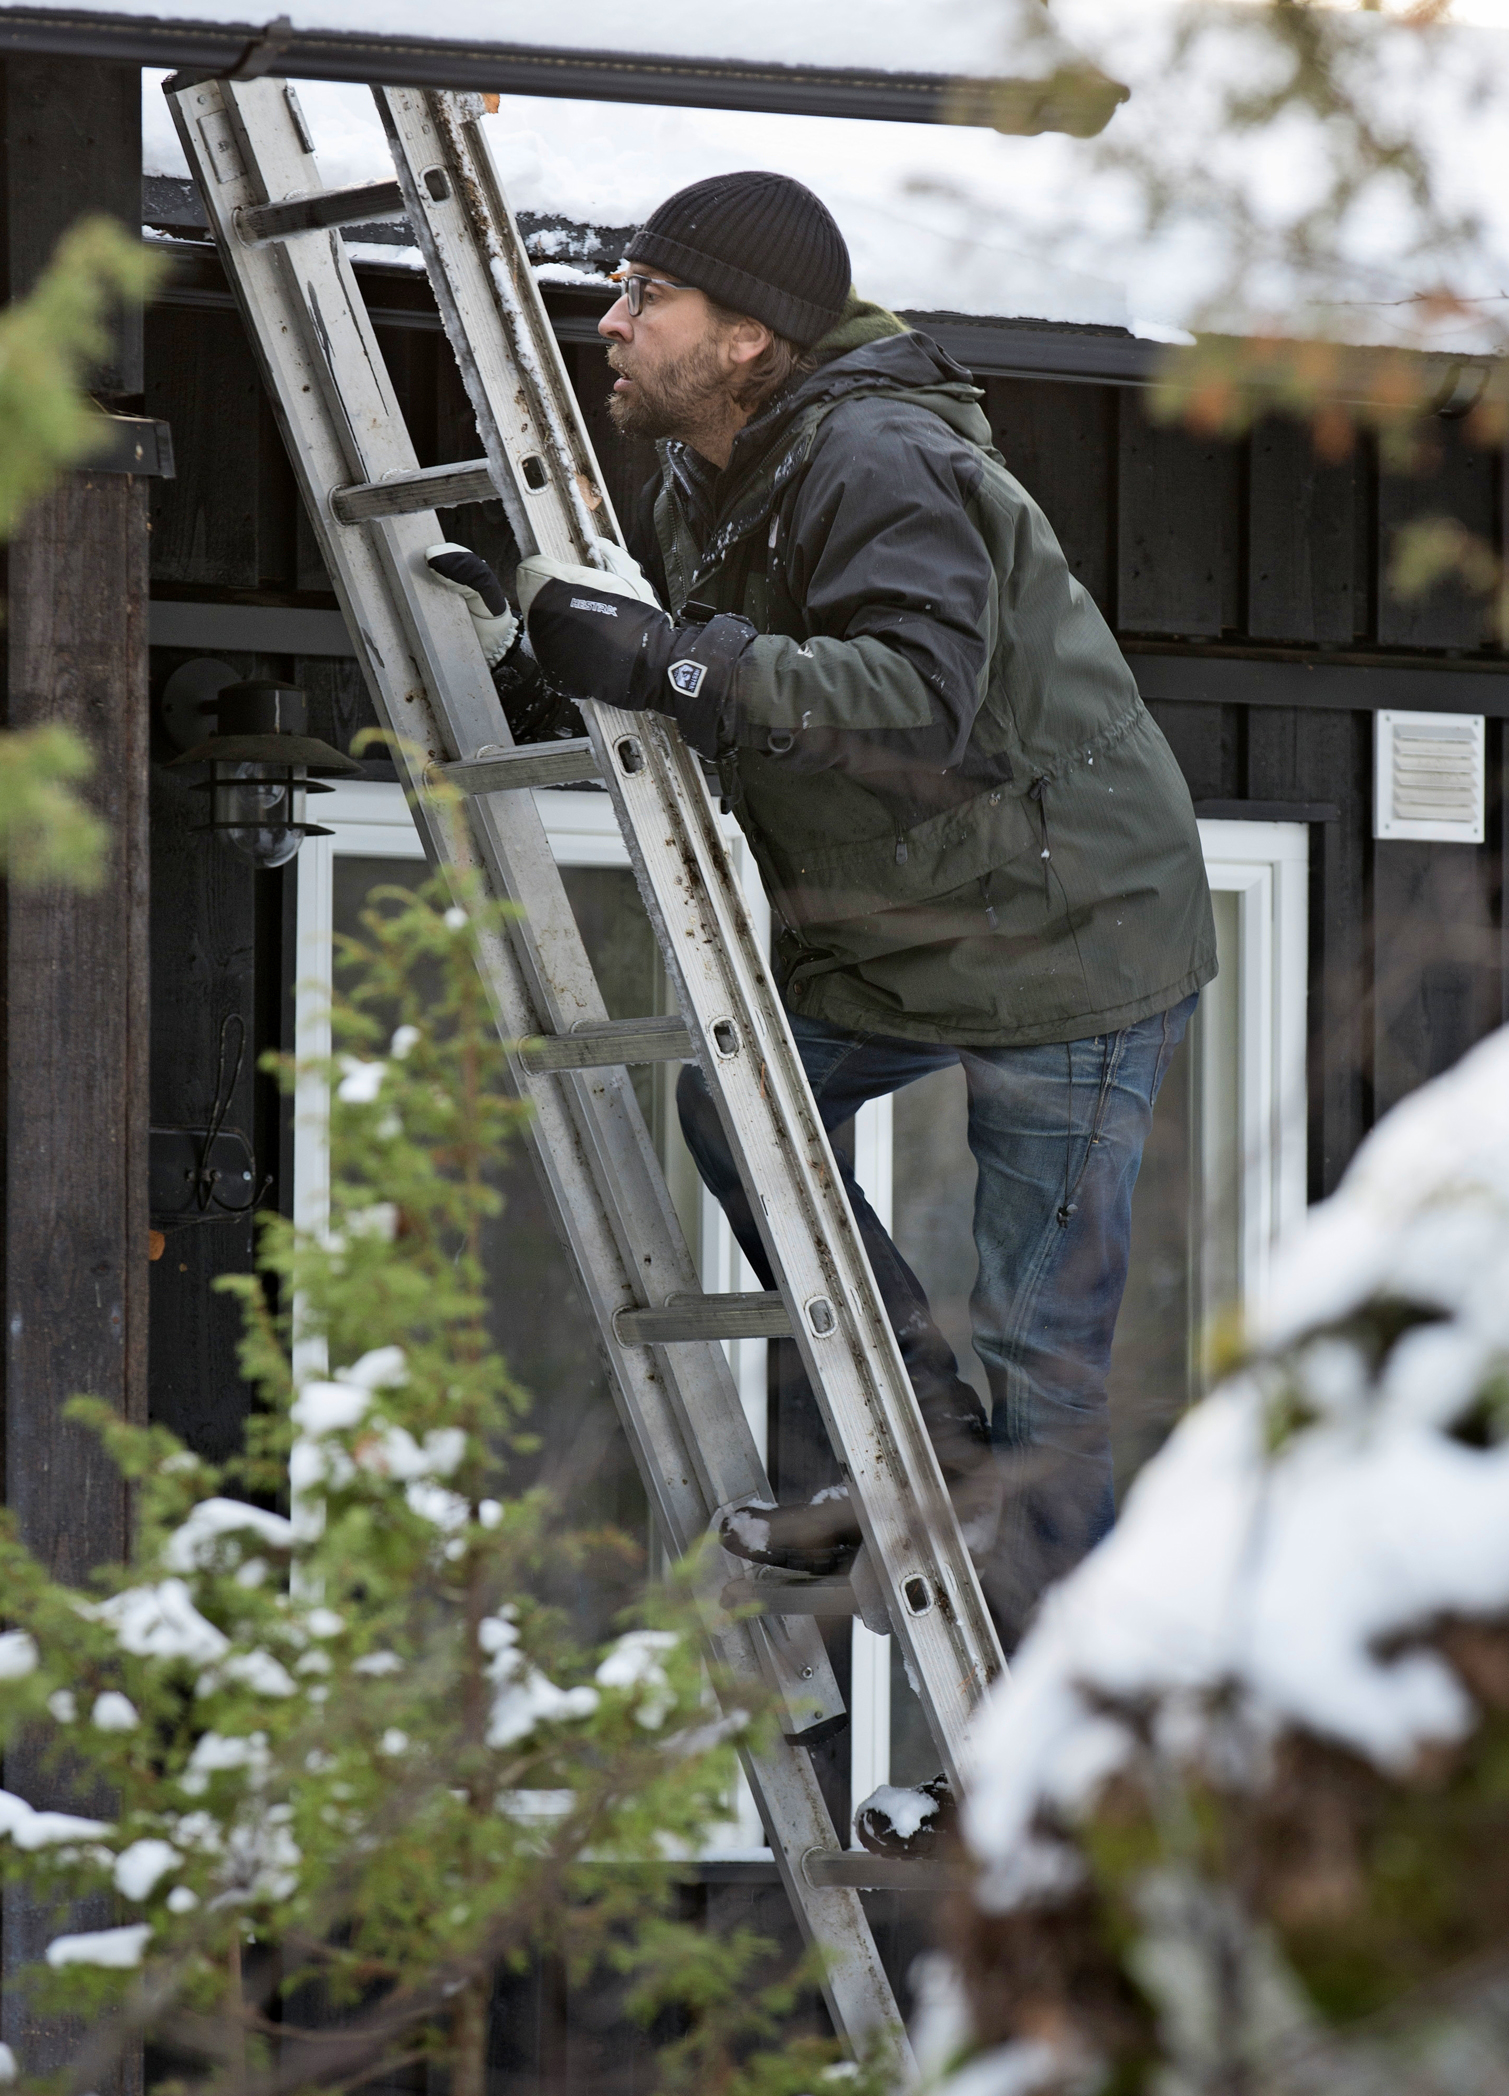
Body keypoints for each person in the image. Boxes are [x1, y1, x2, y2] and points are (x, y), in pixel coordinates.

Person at [428, 170, 1215, 1645]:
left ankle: (1063, 1783)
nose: (611, 323)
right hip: (903, 934)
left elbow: (917, 707)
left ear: (748, 339)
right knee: (741, 1115)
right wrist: (545, 654)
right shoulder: (703, 474)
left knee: (1049, 1368)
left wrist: (662, 659)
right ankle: (927, 1462)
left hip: (1074, 940)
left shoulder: (876, 457)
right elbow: (710, 670)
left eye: (648, 298)